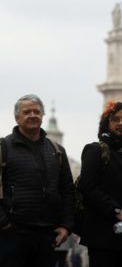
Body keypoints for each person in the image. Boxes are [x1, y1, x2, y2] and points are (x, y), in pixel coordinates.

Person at [0, 94, 75, 267]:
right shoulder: (3, 148)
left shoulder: (57, 151)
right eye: (27, 112)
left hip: (47, 235)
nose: (32, 115)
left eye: (36, 111)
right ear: (17, 118)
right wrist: (4, 223)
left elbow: (67, 191)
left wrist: (66, 226)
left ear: (42, 115)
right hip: (12, 235)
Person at [78, 101, 122, 267]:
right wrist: (117, 212)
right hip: (103, 236)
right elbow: (88, 187)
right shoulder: (95, 150)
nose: (120, 123)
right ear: (106, 123)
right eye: (115, 119)